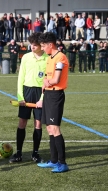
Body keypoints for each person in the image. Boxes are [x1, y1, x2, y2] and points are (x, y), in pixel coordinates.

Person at [9, 32, 48, 163]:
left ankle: (35, 153)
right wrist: (20, 96)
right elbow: (20, 77)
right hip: (26, 92)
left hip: (40, 93)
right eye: (31, 44)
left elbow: (47, 80)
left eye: (35, 45)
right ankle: (18, 153)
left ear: (41, 46)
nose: (32, 47)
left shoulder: (47, 59)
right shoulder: (25, 57)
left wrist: (42, 99)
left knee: (38, 124)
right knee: (22, 122)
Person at [37, 32, 69, 173]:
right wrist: (45, 83)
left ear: (51, 45)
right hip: (49, 94)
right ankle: (54, 160)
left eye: (44, 46)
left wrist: (47, 82)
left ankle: (63, 163)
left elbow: (55, 79)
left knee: (55, 128)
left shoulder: (60, 57)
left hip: (56, 95)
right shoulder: (50, 57)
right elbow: (47, 76)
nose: (42, 49)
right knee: (49, 128)